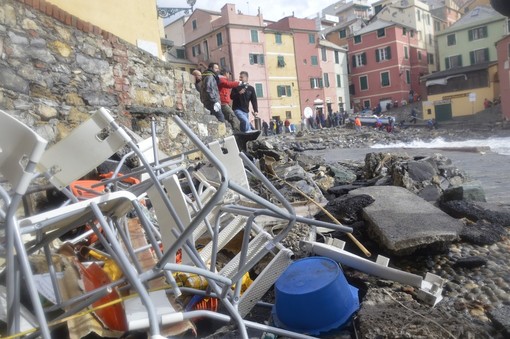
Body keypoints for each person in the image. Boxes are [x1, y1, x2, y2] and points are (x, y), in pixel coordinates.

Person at [218, 68, 242, 132]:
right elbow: (228, 84)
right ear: (226, 73)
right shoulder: (221, 79)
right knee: (233, 118)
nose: (229, 76)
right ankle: (238, 134)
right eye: (229, 74)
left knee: (228, 120)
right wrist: (239, 83)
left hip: (224, 103)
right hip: (223, 103)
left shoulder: (221, 79)